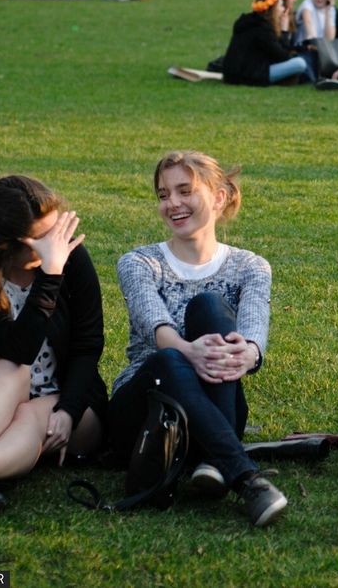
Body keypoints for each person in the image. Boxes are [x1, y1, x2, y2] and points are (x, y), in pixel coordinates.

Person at [108, 151, 288, 527]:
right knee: (169, 360)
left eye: (184, 191)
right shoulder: (138, 263)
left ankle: (212, 458)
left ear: (219, 197)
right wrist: (189, 351)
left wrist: (248, 354)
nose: (172, 203)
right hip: (147, 414)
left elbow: (255, 333)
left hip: (212, 405)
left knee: (209, 307)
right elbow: (153, 325)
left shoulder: (251, 267)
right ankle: (244, 477)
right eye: (163, 194)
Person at [0, 175, 107, 515]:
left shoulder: (70, 257)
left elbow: (89, 344)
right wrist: (51, 273)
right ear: (1, 244)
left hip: (72, 401)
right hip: (5, 391)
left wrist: (69, 409)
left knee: (30, 412)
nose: (55, 243)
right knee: (7, 366)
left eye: (54, 229)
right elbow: (20, 348)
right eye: (40, 238)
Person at [221, 0, 313, 86]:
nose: (283, 9)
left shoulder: (248, 21)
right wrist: (284, 30)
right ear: (273, 9)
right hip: (250, 76)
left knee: (296, 60)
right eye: (281, 6)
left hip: (232, 75)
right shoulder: (263, 28)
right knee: (300, 63)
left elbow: (276, 49)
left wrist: (300, 48)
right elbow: (282, 56)